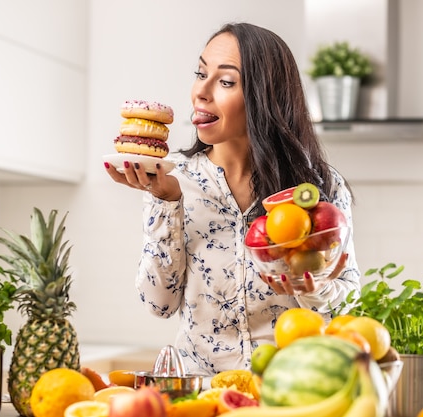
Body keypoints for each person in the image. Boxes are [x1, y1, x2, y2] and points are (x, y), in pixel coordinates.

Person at [105, 22, 360, 375]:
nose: (201, 92)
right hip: (201, 396)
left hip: (291, 392)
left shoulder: (319, 190)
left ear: (264, 96)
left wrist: (311, 288)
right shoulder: (171, 179)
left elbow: (346, 305)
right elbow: (158, 304)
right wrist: (165, 203)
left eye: (225, 82)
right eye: (200, 73)